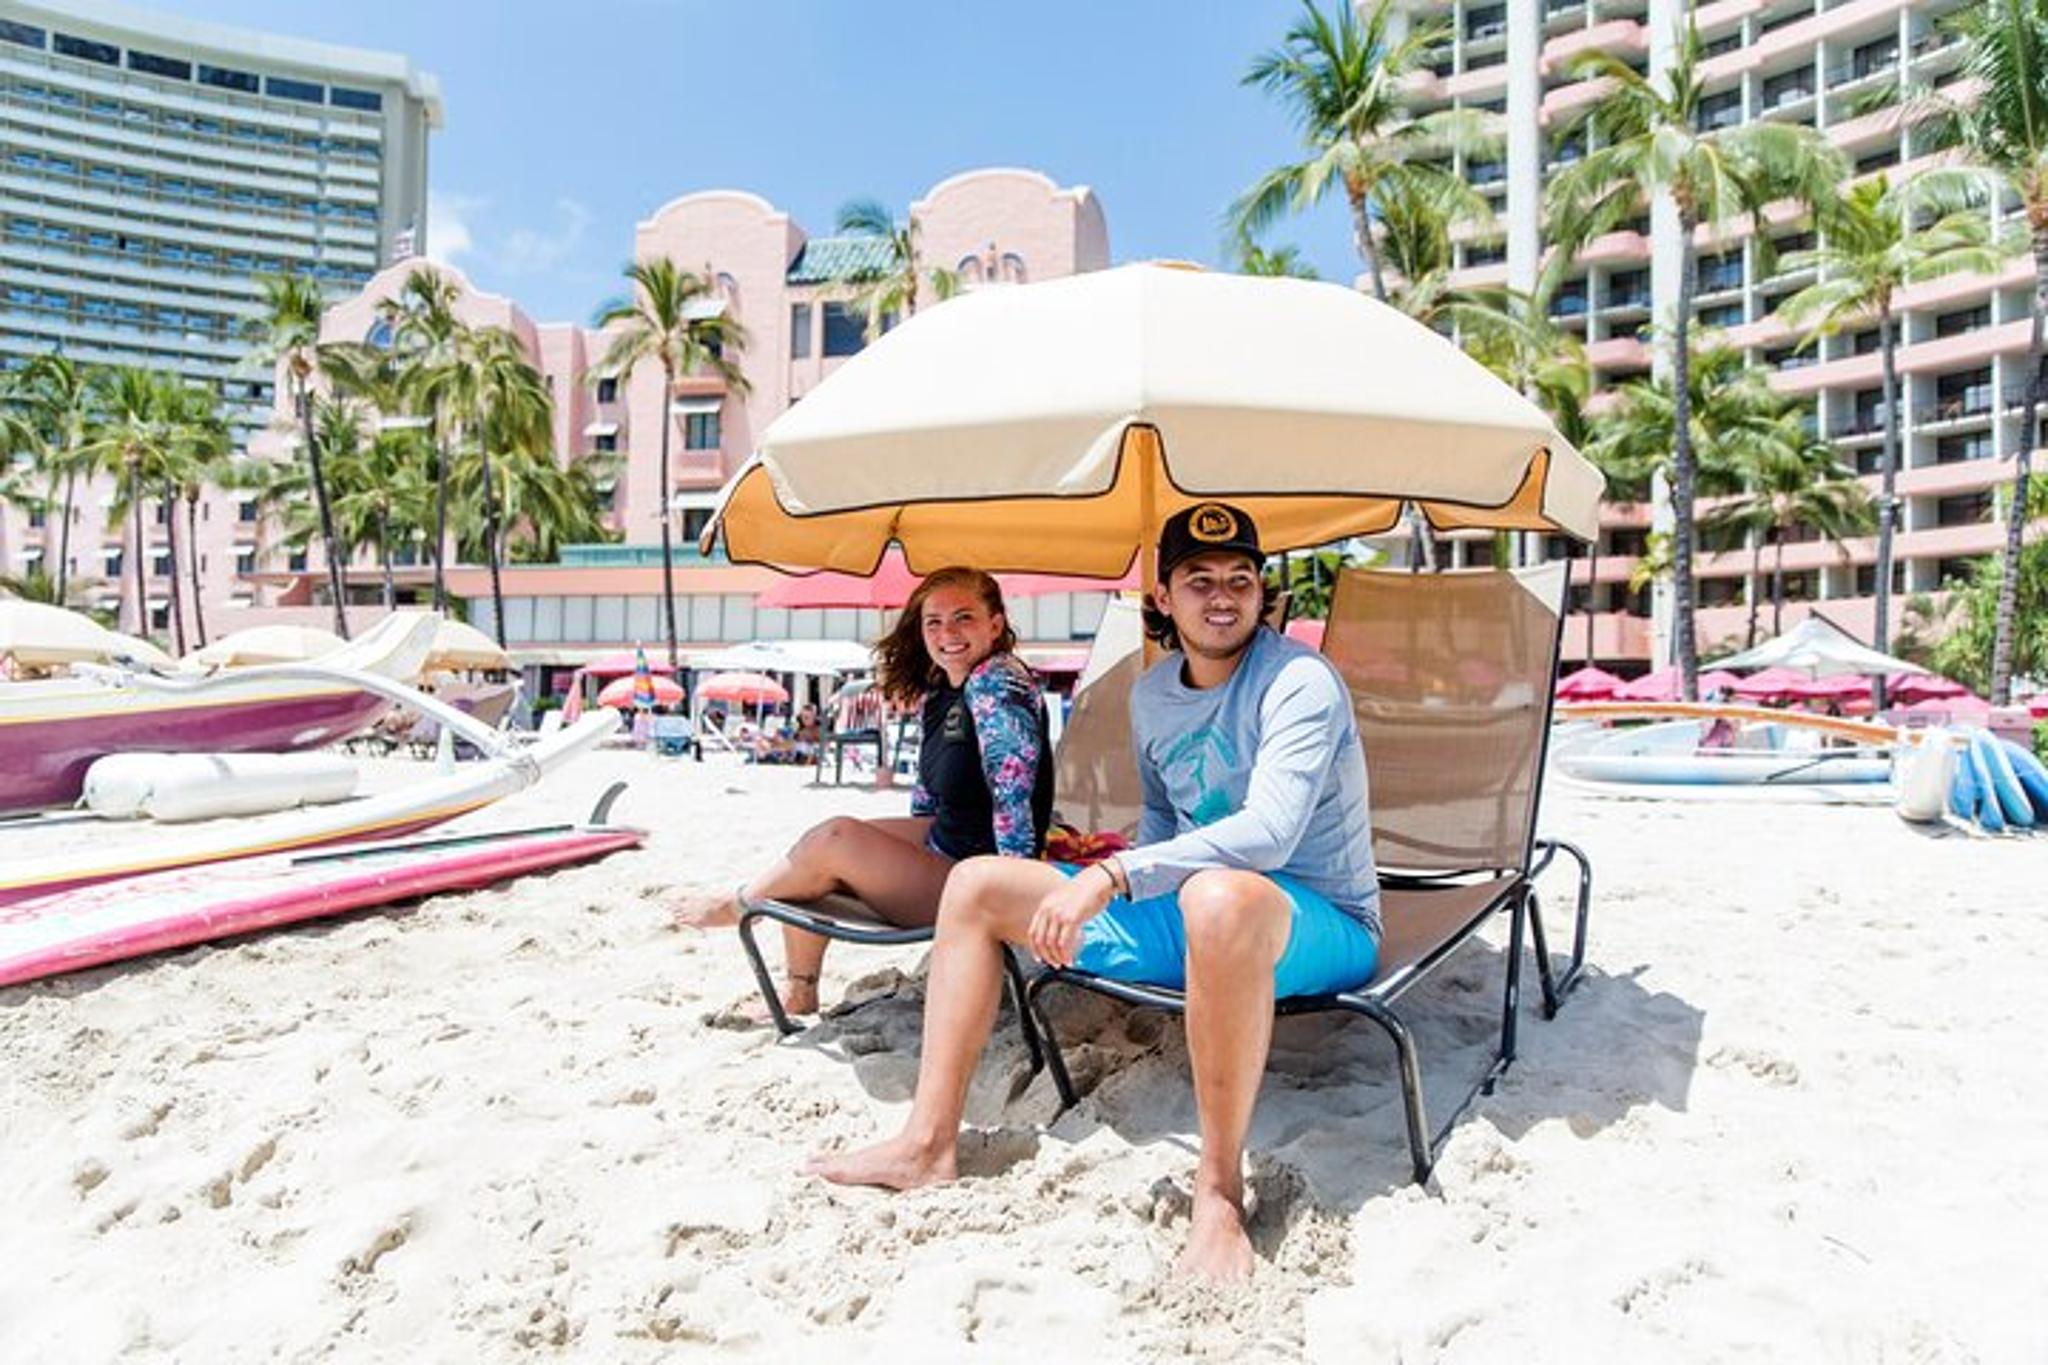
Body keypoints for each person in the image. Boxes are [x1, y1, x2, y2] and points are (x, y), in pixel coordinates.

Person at [807, 503, 1381, 1284]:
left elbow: (1271, 833)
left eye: (1240, 580)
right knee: (978, 883)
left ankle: (1218, 1195)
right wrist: (1099, 866)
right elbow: (1161, 820)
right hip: (1192, 904)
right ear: (1165, 597)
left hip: (1314, 916)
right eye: (1199, 580)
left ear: (1261, 592)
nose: (1222, 596)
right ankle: (927, 1142)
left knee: (1220, 896)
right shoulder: (1153, 695)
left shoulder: (1299, 681)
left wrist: (1112, 877)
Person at [673, 567, 1054, 1017]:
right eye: (933, 621)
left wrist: (1016, 890)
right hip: (948, 848)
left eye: (963, 617)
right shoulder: (943, 690)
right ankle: (799, 990)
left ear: (995, 624)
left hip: (980, 879)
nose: (946, 632)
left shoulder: (996, 681)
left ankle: (737, 905)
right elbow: (928, 798)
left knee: (833, 840)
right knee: (814, 852)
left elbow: (1014, 791)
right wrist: (893, 854)